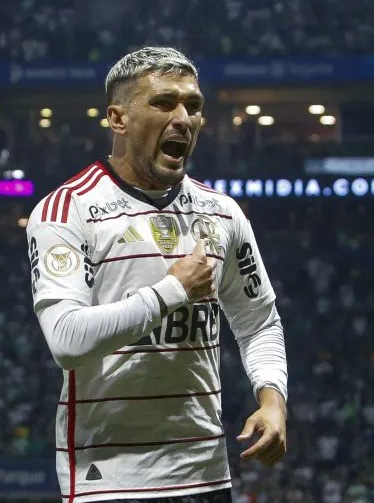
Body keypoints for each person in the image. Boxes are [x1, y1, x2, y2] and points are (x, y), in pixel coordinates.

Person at [26, 46, 288, 503]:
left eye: (194, 105)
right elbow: (66, 341)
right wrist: (172, 290)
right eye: (164, 103)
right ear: (118, 119)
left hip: (206, 474)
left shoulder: (222, 213)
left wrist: (272, 400)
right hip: (108, 479)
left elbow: (258, 321)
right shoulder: (66, 210)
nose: (184, 118)